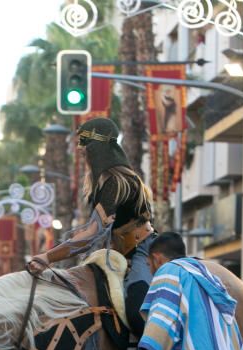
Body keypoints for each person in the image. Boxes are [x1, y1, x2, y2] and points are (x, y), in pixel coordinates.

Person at [27, 117, 155, 337]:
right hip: (116, 255)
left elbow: (91, 233)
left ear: (99, 148)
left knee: (136, 312)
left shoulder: (117, 182)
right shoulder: (103, 183)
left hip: (143, 252)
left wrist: (48, 257)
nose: (82, 155)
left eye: (85, 149)